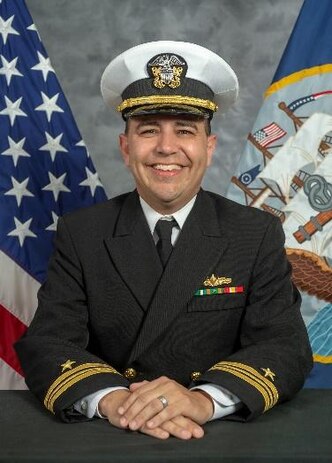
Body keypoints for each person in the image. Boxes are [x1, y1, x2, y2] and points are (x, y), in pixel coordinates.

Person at [15, 40, 312, 440]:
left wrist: (203, 400)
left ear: (208, 148)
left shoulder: (254, 233)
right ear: (125, 147)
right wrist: (114, 399)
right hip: (113, 436)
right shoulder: (82, 232)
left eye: (185, 131)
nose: (166, 148)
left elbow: (286, 345)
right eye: (149, 130)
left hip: (219, 439)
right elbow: (48, 342)